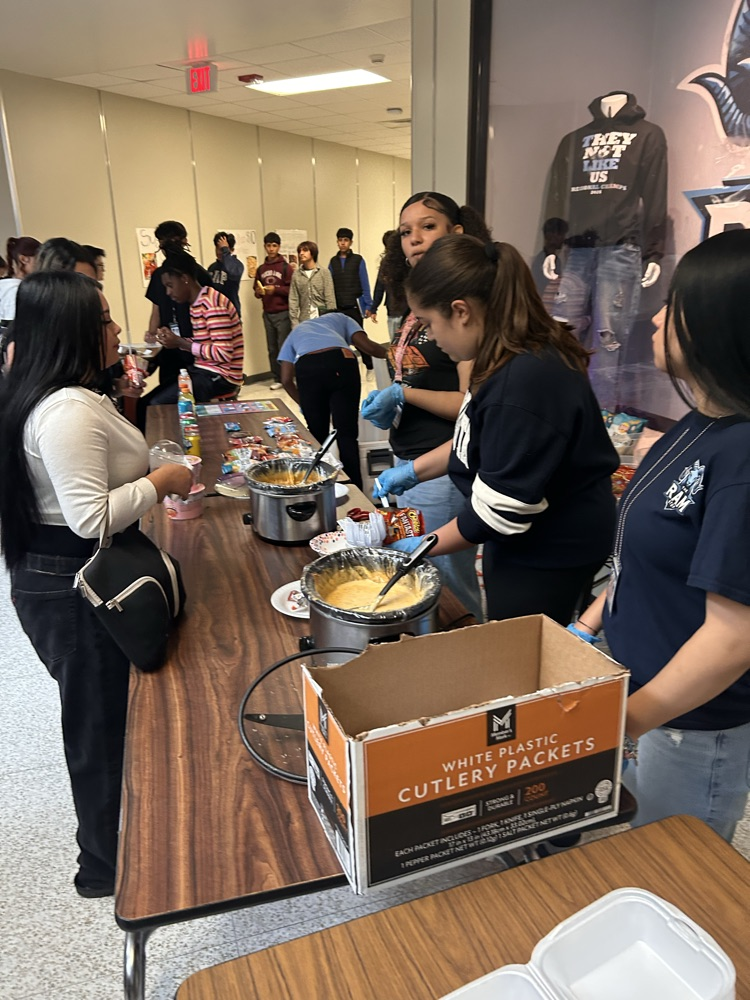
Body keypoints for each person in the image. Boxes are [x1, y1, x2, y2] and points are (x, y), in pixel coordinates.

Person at [0, 270, 192, 897]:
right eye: (105, 319)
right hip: (72, 583)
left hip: (70, 572)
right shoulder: (64, 412)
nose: (116, 328)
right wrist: (163, 482)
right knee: (97, 724)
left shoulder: (73, 393)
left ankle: (123, 840)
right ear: (76, 331)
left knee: (108, 713)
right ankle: (106, 867)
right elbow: (90, 515)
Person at [567, 229, 750, 843]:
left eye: (676, 306)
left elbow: (733, 638)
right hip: (639, 692)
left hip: (689, 723)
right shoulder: (697, 422)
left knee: (677, 882)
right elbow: (640, 560)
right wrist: (590, 627)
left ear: (717, 325)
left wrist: (628, 721)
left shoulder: (743, 458)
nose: (658, 317)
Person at [374, 234, 618, 625]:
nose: (432, 336)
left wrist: (421, 546)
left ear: (462, 311)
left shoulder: (524, 381)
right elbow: (474, 439)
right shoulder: (498, 356)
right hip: (530, 527)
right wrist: (413, 471)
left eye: (431, 323)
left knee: (519, 641)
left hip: (553, 544)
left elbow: (497, 515)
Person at [360, 192, 491, 622]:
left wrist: (405, 395)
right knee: (419, 573)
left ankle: (462, 662)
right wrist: (392, 401)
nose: (414, 239)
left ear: (457, 233)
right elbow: (415, 375)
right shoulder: (415, 309)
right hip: (411, 456)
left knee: (445, 582)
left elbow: (472, 410)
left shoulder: (466, 312)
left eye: (427, 226)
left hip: (442, 461)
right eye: (405, 231)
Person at [278, 313, 386, 488]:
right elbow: (369, 347)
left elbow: (285, 379)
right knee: (346, 434)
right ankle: (354, 488)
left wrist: (305, 404)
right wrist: (394, 355)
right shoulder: (344, 318)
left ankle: (315, 487)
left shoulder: (296, 332)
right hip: (341, 361)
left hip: (307, 366)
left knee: (316, 435)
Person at [151, 249, 244, 403]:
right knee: (150, 400)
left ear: (184, 278)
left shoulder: (212, 304)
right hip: (204, 371)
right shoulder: (198, 303)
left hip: (222, 377)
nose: (168, 292)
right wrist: (175, 340)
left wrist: (181, 342)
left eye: (170, 285)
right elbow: (206, 344)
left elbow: (223, 353)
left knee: (156, 405)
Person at [143, 221, 213, 398]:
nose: (170, 292)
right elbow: (156, 310)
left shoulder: (199, 274)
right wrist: (151, 340)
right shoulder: (160, 274)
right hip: (170, 349)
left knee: (193, 397)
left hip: (196, 349)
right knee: (168, 395)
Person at [328, 227, 375, 373]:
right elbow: (329, 284)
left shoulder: (358, 260)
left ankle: (370, 366)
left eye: (346, 240)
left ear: (350, 242)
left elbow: (364, 283)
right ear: (337, 242)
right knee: (339, 340)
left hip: (354, 305)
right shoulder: (333, 262)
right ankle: (344, 369)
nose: (343, 243)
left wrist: (369, 305)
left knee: (359, 338)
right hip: (338, 306)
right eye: (340, 240)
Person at [254, 231, 293, 390]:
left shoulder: (286, 267)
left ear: (279, 247)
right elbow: (256, 290)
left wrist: (275, 289)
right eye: (268, 245)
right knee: (272, 348)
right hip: (267, 312)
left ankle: (287, 377)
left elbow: (291, 289)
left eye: (274, 245)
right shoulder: (261, 269)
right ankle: (277, 377)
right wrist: (259, 292)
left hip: (282, 312)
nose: (271, 249)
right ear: (265, 247)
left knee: (283, 345)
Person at [288, 240, 337, 328]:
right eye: (300, 251)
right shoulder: (296, 275)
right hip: (304, 320)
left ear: (313, 252)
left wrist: (331, 321)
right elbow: (293, 300)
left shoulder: (324, 273)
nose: (301, 253)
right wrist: (294, 323)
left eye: (305, 250)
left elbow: (330, 299)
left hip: (323, 320)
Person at [372, 229, 408, 339]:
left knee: (395, 343)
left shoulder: (389, 262)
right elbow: (380, 286)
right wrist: (374, 308)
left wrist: (374, 308)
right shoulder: (408, 260)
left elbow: (379, 286)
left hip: (399, 309)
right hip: (400, 309)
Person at [208, 231, 244, 316]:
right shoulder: (212, 268)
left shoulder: (237, 265)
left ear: (231, 250)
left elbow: (233, 272)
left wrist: (225, 251)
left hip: (231, 312)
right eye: (217, 248)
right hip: (215, 311)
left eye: (222, 249)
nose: (219, 252)